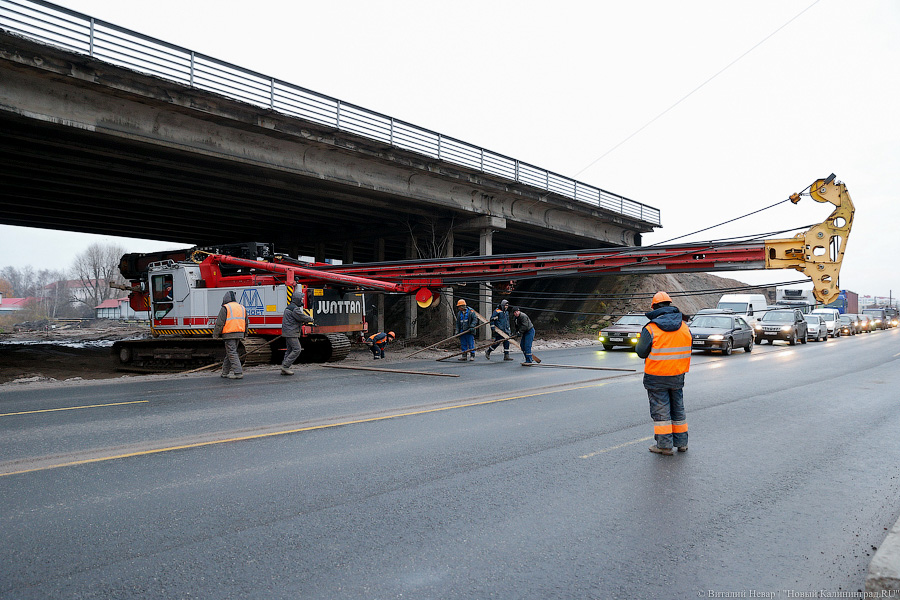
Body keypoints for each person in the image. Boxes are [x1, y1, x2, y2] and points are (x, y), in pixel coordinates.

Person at [635, 291, 692, 456]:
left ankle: (664, 446)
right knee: (678, 408)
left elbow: (640, 351)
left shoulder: (651, 328)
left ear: (654, 307)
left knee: (661, 410)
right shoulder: (684, 326)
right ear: (670, 305)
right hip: (677, 374)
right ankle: (682, 443)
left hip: (656, 376)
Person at [213, 290, 248, 380]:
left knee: (231, 352)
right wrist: (245, 334)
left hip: (229, 333)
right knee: (230, 352)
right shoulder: (241, 307)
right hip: (239, 333)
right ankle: (225, 372)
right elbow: (246, 322)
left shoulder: (226, 308)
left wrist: (215, 334)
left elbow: (220, 323)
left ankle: (238, 372)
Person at [281, 292, 315, 375]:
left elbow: (296, 319)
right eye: (301, 299)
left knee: (289, 350)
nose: (302, 300)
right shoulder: (294, 309)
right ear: (298, 299)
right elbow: (301, 316)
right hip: (291, 333)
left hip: (288, 332)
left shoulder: (289, 307)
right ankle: (285, 366)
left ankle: (284, 368)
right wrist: (311, 319)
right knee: (297, 349)